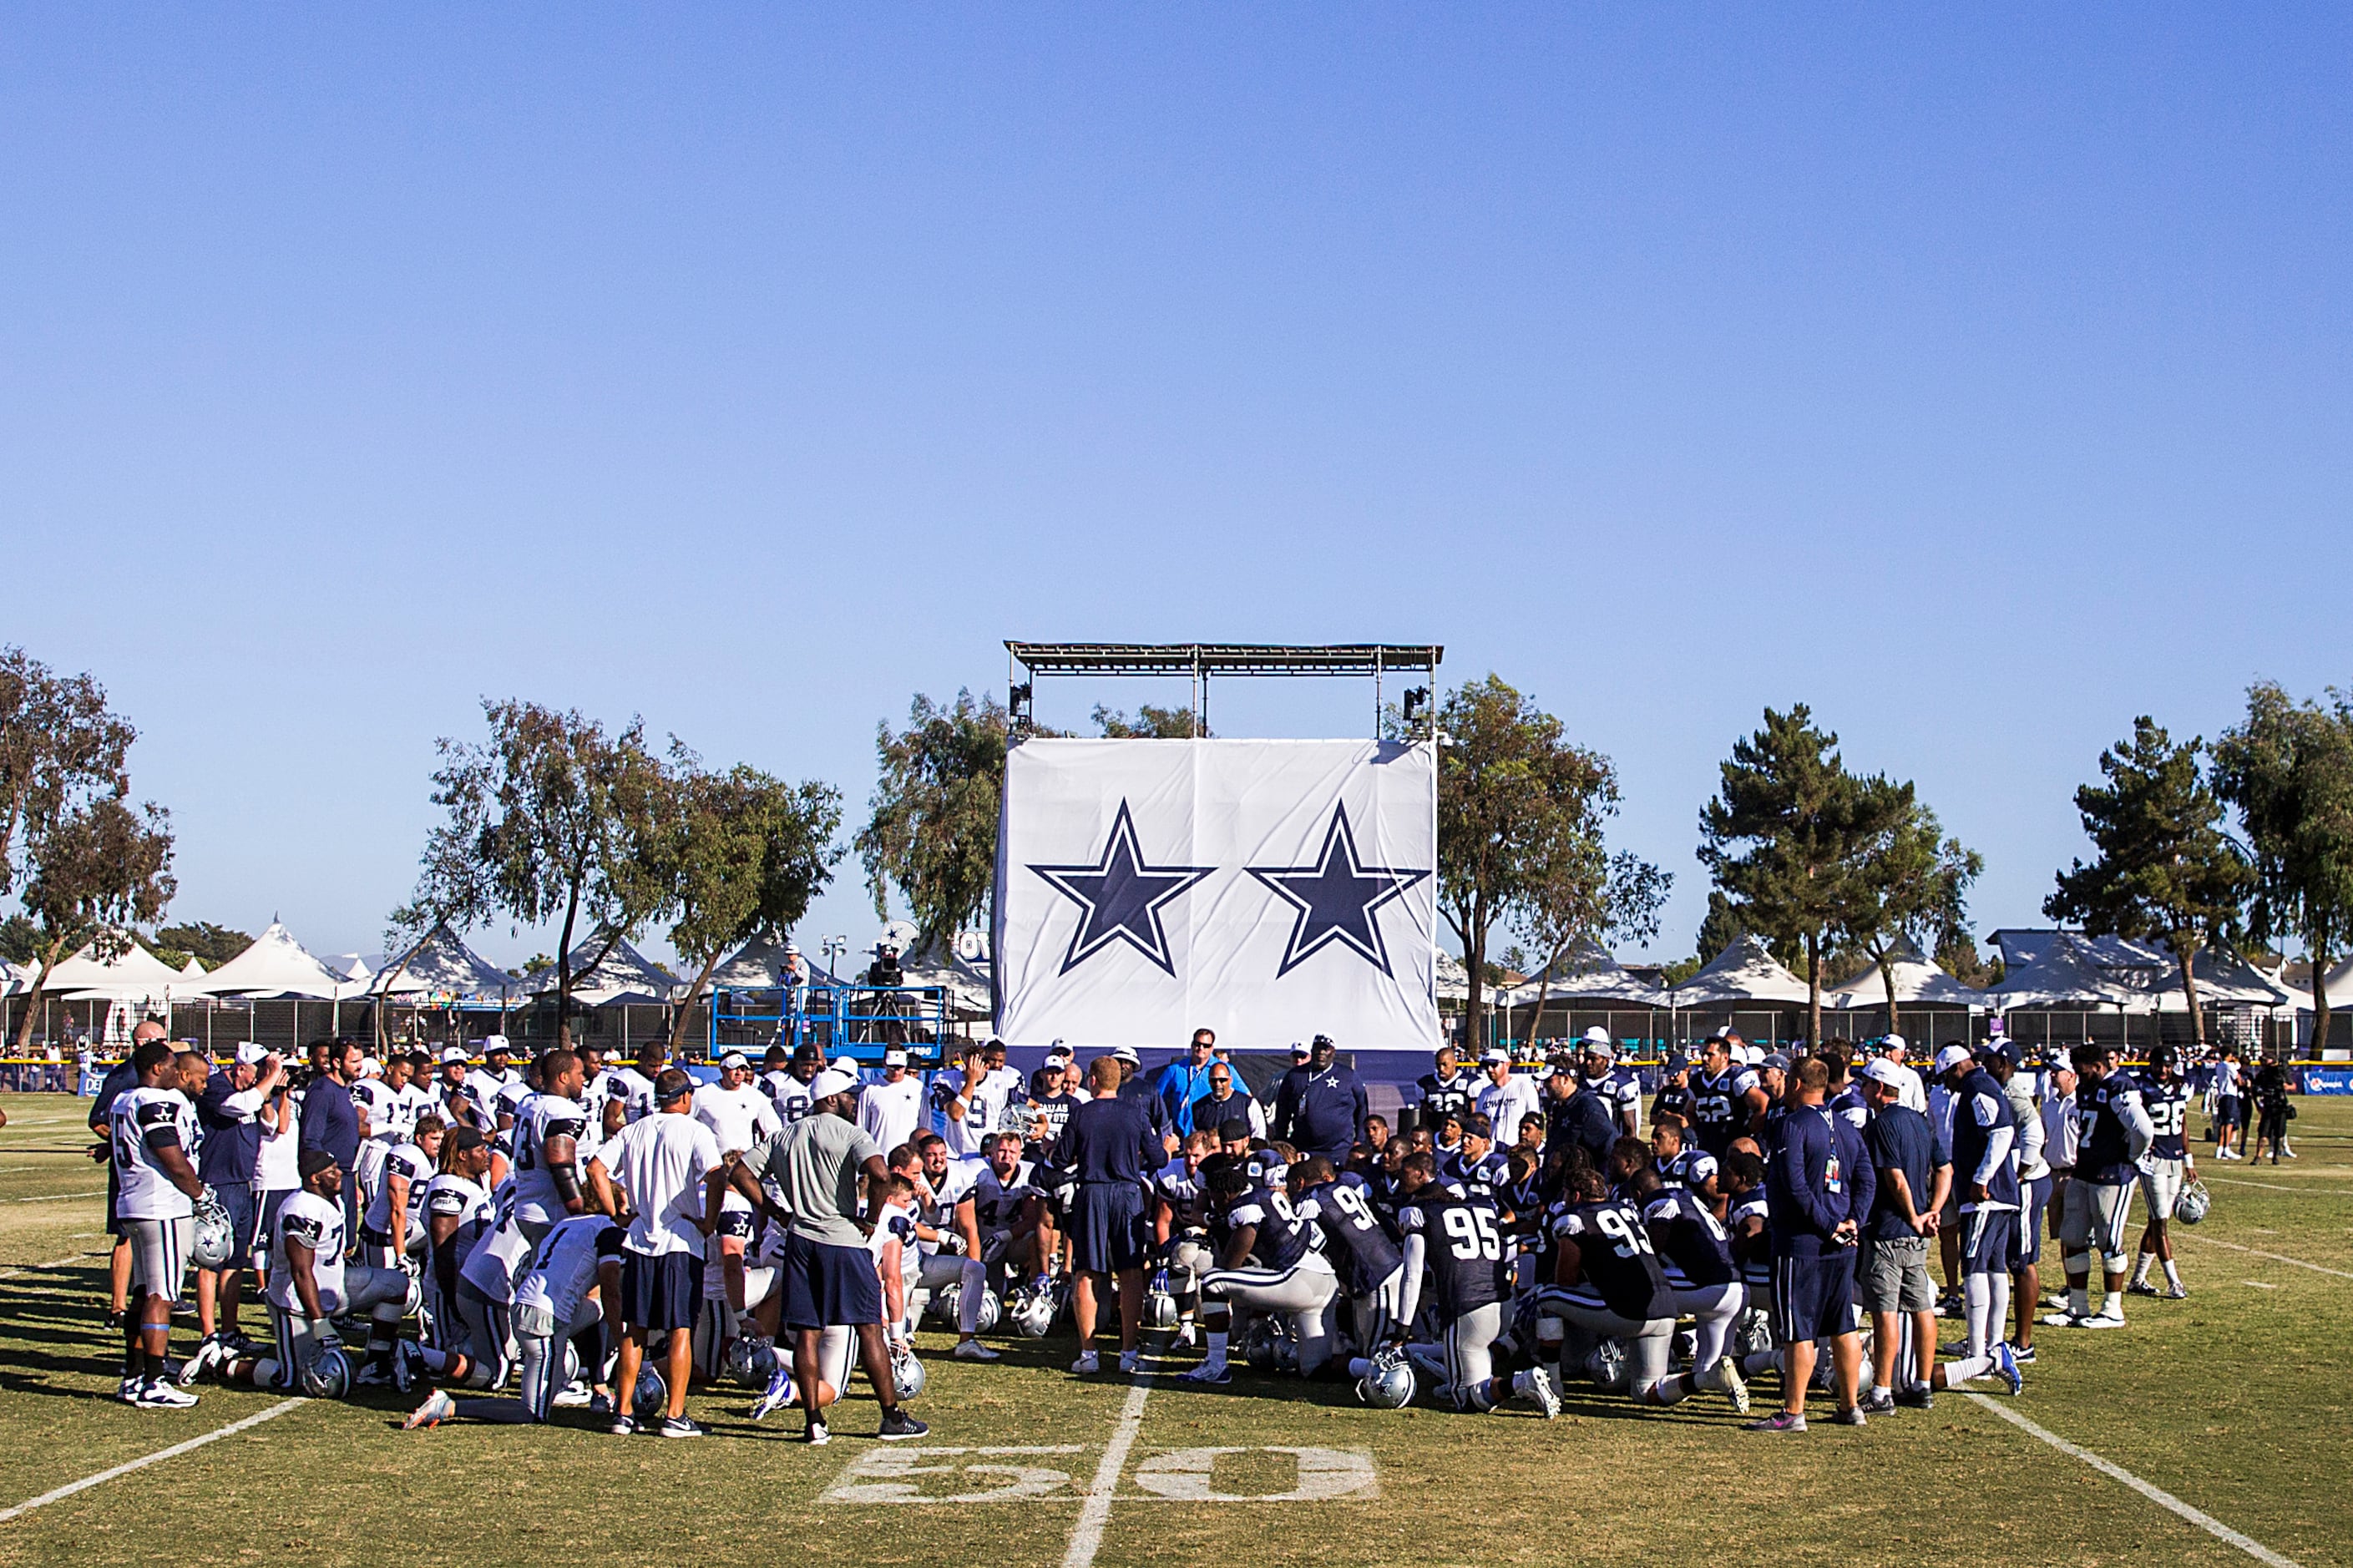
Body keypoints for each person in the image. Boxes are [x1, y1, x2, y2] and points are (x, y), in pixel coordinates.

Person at [731, 1065, 928, 1444]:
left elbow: (741, 1172)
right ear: (832, 1099)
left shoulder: (785, 1135)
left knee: (807, 1333)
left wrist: (777, 1213)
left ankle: (813, 1422)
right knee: (869, 1327)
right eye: (848, 1096)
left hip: (801, 1239)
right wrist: (871, 1218)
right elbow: (880, 1172)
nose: (854, 1102)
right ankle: (890, 1416)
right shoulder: (851, 1133)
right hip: (843, 1239)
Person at [585, 1067, 730, 1438]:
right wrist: (709, 1221)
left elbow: (596, 1168)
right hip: (681, 1240)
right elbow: (716, 1175)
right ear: (684, 1097)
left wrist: (615, 1214)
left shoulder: (633, 1130)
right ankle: (675, 1414)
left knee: (635, 1328)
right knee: (681, 1327)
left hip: (638, 1239)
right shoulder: (696, 1131)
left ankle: (623, 1410)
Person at [407, 1208, 623, 1429]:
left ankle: (591, 1383)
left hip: (523, 1304)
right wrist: (623, 1341)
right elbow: (611, 1292)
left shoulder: (569, 1224)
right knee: (532, 1412)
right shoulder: (608, 1231)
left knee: (596, 1309)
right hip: (545, 1317)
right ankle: (450, 1406)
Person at [1750, 1055, 1875, 1432]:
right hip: (1841, 1243)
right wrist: (1855, 1220)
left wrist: (1830, 1225)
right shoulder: (1847, 1127)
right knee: (1842, 1324)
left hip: (1803, 1243)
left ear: (1798, 1084)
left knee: (1797, 1328)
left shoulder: (1793, 1126)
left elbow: (1795, 1186)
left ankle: (1793, 1411)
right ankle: (1850, 1405)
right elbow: (1867, 1179)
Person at [1051, 1056, 1164, 1374]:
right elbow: (1158, 1155)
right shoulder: (1136, 1113)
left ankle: (1089, 1353)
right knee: (1129, 1274)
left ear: (1093, 1081)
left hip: (1093, 1192)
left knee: (1086, 1272)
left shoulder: (1081, 1113)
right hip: (1127, 1192)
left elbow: (1060, 1160)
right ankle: (1128, 1352)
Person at [109, 1039, 206, 1408]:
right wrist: (199, 1193)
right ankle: (153, 1381)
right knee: (161, 1296)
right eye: (169, 1066)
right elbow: (168, 1150)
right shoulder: (153, 1100)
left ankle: (133, 1377)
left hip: (135, 1202)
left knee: (143, 1291)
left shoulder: (124, 1099)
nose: (174, 1072)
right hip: (160, 1205)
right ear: (155, 1069)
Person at [185, 1043, 284, 1373]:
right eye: (259, 1071)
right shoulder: (216, 1087)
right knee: (210, 1261)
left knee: (236, 1261)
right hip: (217, 1181)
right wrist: (267, 1081)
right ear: (241, 1068)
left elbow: (272, 1127)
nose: (264, 1078)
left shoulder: (256, 1092)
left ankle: (229, 1331)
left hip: (244, 1183)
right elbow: (237, 1106)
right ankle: (208, 1334)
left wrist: (272, 1090)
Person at [1855, 1058, 1946, 1412]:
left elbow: (1894, 1177)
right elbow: (1945, 1169)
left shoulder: (1881, 1126)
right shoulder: (1920, 1122)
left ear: (1879, 1088)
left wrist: (1912, 1215)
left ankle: (1882, 1390)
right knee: (1921, 1307)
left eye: (1866, 1084)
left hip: (1890, 1230)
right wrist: (1931, 1212)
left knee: (1885, 1312)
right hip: (1917, 1232)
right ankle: (1921, 1384)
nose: (1863, 1090)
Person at [2045, 1044, 2151, 1331]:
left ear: (2097, 1066)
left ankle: (2112, 1309)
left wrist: (2130, 1156)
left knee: (2109, 1241)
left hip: (2112, 1175)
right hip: (2085, 1171)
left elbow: (2143, 1129)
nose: (2079, 1076)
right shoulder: (2088, 1089)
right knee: (2072, 1235)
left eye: (2082, 1070)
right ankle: (2078, 1306)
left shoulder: (2118, 1086)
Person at [90, 1019, 165, 1330]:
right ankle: (118, 1306)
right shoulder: (125, 1075)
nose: (166, 1043)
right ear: (142, 1042)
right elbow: (97, 1119)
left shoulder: (162, 1072)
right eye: (161, 1039)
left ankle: (154, 1295)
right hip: (130, 1169)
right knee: (126, 1234)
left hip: (156, 1167)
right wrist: (121, 1143)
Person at [2130, 1045, 2196, 1299]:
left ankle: (2137, 1280)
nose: (2164, 1070)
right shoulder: (2140, 1087)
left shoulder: (2182, 1086)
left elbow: (2183, 1125)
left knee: (2157, 1220)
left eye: (2168, 1065)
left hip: (2175, 1159)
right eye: (2160, 1065)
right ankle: (2174, 1281)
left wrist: (2189, 1160)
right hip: (2152, 1160)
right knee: (2161, 1222)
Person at [300, 1039, 364, 1232]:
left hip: (347, 1176)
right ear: (337, 1062)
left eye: (361, 1061)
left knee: (349, 1241)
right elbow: (310, 1140)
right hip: (330, 1180)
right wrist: (325, 1180)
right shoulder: (322, 1092)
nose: (359, 1067)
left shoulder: (344, 1090)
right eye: (353, 1062)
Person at [1273, 1035, 1367, 1166]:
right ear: (1312, 1051)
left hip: (1339, 1150)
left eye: (1325, 1049)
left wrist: (1360, 1139)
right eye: (1318, 1049)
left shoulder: (1347, 1075)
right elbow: (1282, 1110)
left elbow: (1362, 1107)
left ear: (1333, 1052)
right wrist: (1282, 1141)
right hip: (1303, 1149)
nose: (1321, 1053)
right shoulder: (1295, 1076)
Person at [1471, 1048, 1539, 1166]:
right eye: (1486, 1065)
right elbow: (1479, 1125)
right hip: (1493, 1154)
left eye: (1494, 1065)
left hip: (1518, 1152)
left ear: (1507, 1064)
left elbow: (1534, 1122)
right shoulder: (1484, 1093)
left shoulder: (1524, 1087)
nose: (1489, 1069)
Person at [1156, 1029, 1222, 1137]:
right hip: (1180, 1137)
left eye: (1206, 1045)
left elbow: (1244, 1098)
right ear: (1192, 1045)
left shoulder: (1223, 1069)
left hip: (1209, 1137)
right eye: (1197, 1044)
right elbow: (1155, 1099)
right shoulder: (1174, 1070)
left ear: (1212, 1048)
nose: (1201, 1048)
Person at [858, 1048, 923, 1154]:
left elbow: (925, 1127)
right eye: (892, 1067)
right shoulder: (869, 1090)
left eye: (900, 1067)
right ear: (884, 1064)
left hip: (910, 1161)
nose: (896, 1071)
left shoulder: (919, 1089)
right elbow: (862, 1129)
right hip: (879, 1160)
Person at [1190, 1060, 1264, 1141]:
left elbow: (1259, 1136)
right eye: (1213, 1080)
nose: (1218, 1084)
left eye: (1222, 1080)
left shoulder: (1248, 1104)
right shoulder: (1198, 1107)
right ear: (1209, 1081)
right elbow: (1197, 1139)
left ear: (1230, 1080)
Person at [1416, 1043, 1479, 1133]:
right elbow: (1424, 1114)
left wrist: (1470, 1131)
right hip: (1435, 1132)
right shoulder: (1426, 1083)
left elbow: (1473, 1112)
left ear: (1455, 1062)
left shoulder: (1469, 1082)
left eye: (1445, 1064)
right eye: (1438, 1065)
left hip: (1460, 1134)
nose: (1441, 1068)